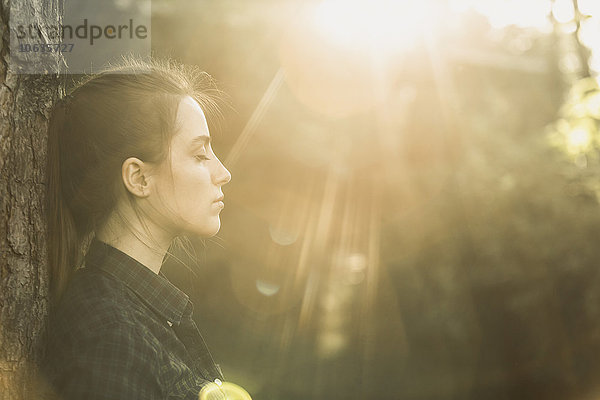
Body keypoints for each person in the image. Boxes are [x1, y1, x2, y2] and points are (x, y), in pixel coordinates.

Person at [42, 57, 232, 400]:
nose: (223, 172)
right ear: (138, 178)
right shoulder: (110, 335)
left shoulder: (145, 315)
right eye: (200, 155)